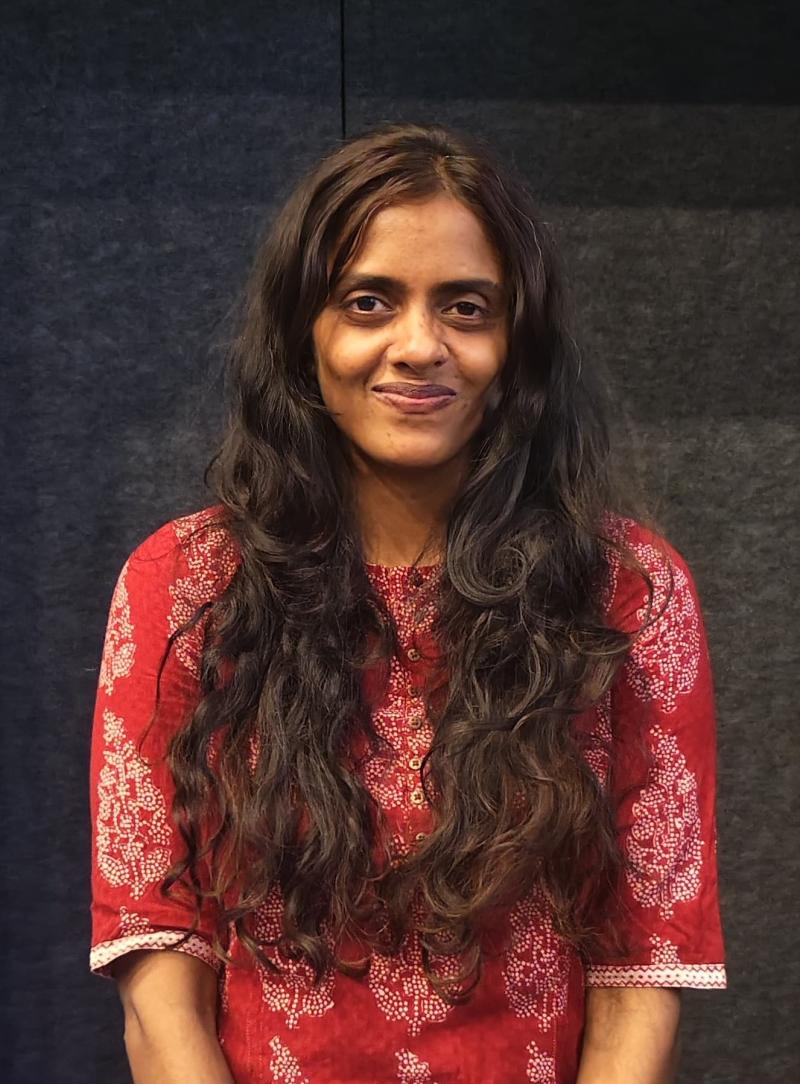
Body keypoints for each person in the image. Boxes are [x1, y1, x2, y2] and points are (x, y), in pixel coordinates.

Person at [88, 121, 727, 1084]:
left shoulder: (627, 590)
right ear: (304, 332)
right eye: (368, 302)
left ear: (518, 342)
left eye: (467, 307)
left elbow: (645, 959)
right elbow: (157, 965)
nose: (420, 346)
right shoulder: (185, 583)